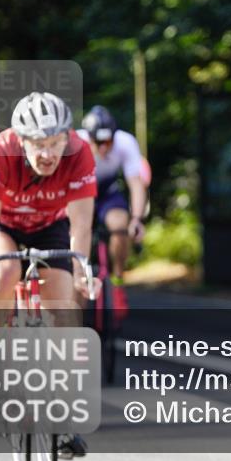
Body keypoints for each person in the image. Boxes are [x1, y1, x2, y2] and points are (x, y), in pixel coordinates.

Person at [0, 91, 95, 457]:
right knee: (4, 275)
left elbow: (81, 226)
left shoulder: (80, 153)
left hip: (50, 226)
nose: (48, 154)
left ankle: (62, 418)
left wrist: (82, 272)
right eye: (38, 144)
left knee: (66, 303)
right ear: (20, 140)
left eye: (56, 143)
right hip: (1, 224)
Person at [78, 105, 148, 315]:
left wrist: (136, 219)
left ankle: (117, 279)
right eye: (97, 143)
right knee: (77, 232)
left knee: (120, 225)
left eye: (107, 142)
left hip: (108, 191)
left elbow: (136, 184)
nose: (102, 149)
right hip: (80, 192)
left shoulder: (125, 142)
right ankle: (78, 282)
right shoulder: (75, 143)